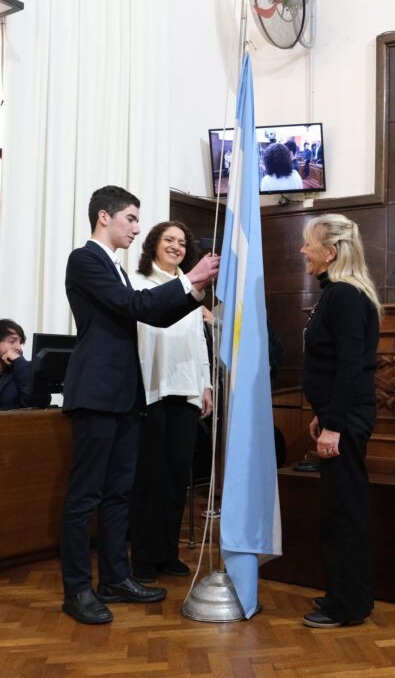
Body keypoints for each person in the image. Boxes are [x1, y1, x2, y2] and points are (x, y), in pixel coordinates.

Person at [59, 185, 219, 625]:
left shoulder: (119, 270)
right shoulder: (85, 259)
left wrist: (193, 287)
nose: (136, 226)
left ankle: (115, 578)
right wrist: (190, 278)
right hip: (96, 392)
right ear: (103, 218)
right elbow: (134, 305)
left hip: (126, 395)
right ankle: (76, 590)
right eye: (130, 218)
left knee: (118, 494)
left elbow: (156, 312)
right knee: (85, 496)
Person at [299, 213, 383, 629]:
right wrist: (323, 414)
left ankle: (346, 605)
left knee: (343, 512)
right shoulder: (337, 293)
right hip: (339, 416)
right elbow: (334, 365)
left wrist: (333, 424)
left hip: (346, 421)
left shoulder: (346, 296)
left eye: (308, 244)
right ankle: (346, 595)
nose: (303, 251)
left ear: (330, 253)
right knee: (339, 509)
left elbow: (351, 367)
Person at [127, 220, 213, 584]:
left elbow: (198, 343)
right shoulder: (137, 284)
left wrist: (205, 386)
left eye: (182, 241)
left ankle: (168, 553)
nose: (176, 246)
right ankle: (144, 556)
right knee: (149, 478)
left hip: (187, 393)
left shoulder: (195, 291)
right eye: (169, 240)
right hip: (151, 392)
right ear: (153, 245)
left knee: (178, 478)